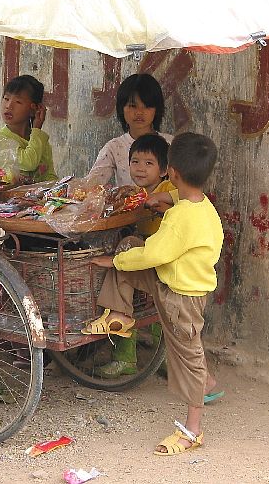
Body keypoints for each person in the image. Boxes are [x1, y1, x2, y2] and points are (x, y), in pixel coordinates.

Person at [83, 133, 224, 456]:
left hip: (181, 297)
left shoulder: (180, 220)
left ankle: (192, 430)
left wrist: (113, 261)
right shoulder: (201, 206)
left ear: (170, 172)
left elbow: (153, 255)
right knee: (130, 245)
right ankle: (121, 314)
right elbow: (175, 212)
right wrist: (166, 198)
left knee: (187, 357)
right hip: (170, 281)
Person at [89, 133, 174, 379]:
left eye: (148, 163)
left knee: (125, 251)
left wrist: (157, 205)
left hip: (164, 259)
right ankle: (126, 357)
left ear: (164, 170)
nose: (140, 168)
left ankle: (161, 358)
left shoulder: (168, 190)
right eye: (135, 162)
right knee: (124, 265)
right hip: (146, 257)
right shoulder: (133, 193)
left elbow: (177, 210)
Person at [86, 73, 172, 187]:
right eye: (132, 106)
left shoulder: (171, 144)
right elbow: (91, 184)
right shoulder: (114, 147)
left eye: (146, 106)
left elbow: (185, 186)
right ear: (122, 108)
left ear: (157, 110)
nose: (139, 112)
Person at [0, 74, 57, 183]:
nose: (9, 106)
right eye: (6, 99)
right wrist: (37, 128)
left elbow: (49, 177)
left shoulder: (39, 140)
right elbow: (29, 163)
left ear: (33, 109)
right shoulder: (0, 140)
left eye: (18, 102)